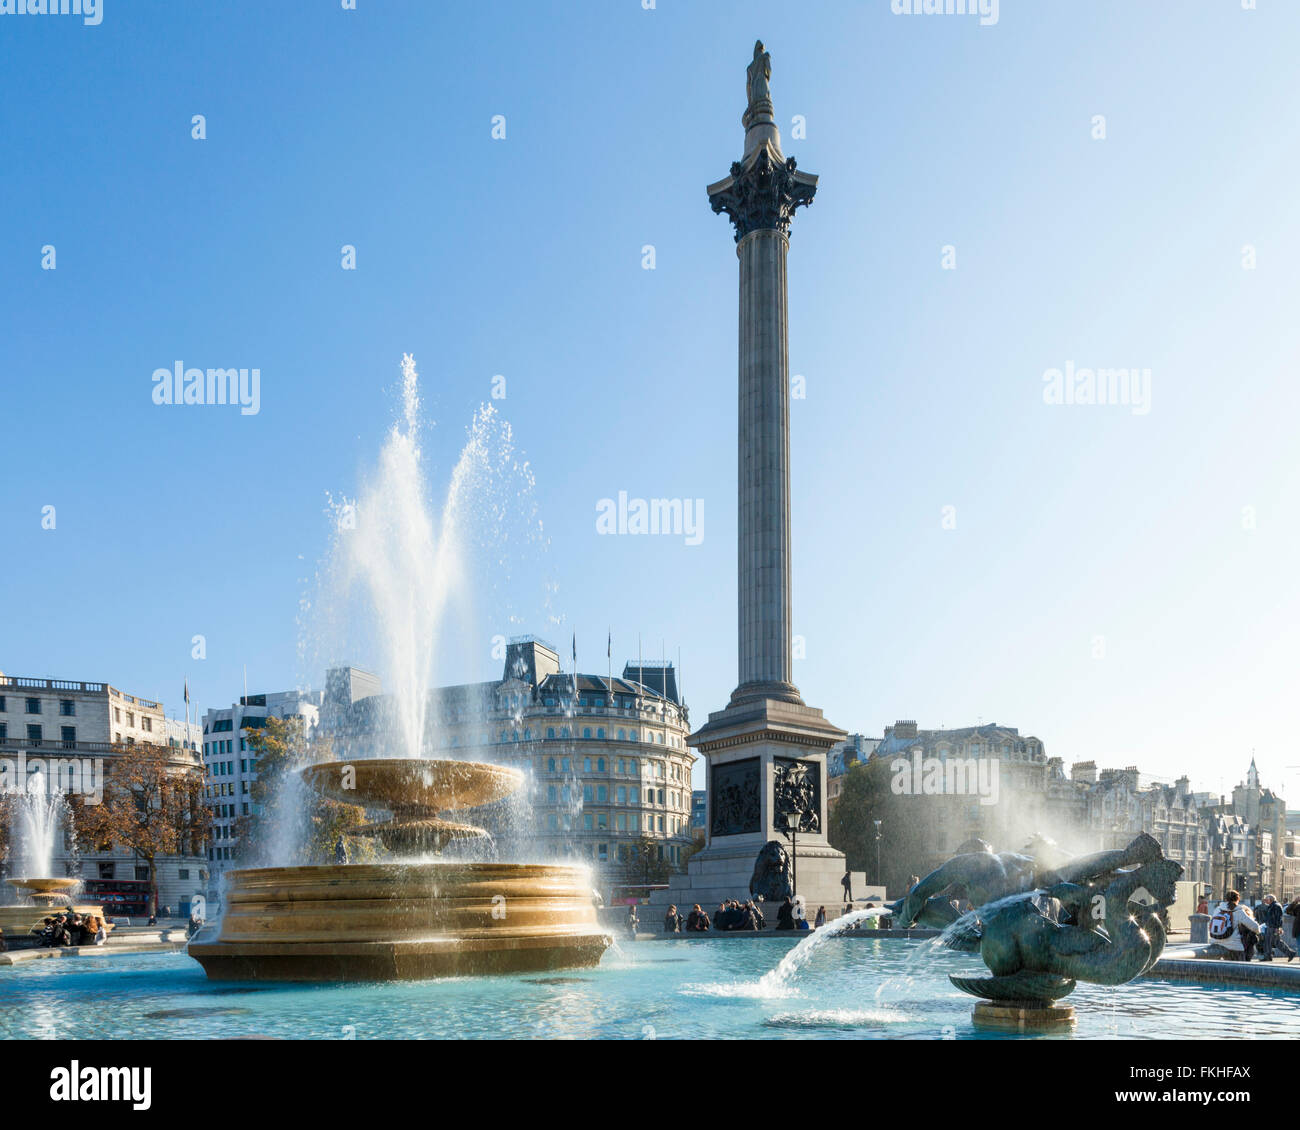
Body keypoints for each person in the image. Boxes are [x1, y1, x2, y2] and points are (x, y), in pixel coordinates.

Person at [1209, 890, 1259, 961]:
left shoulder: (1218, 909)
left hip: (1216, 942)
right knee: (1240, 968)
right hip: (1233, 946)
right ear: (1238, 899)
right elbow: (1254, 927)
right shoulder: (1238, 911)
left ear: (1226, 899)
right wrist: (1259, 932)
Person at [1258, 894, 1295, 962]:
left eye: (1266, 899)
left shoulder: (1276, 906)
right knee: (1276, 942)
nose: (1265, 901)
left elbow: (1279, 918)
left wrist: (1278, 928)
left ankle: (1268, 956)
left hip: (1273, 927)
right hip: (1271, 926)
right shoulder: (1272, 906)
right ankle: (1290, 953)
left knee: (1269, 942)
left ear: (1270, 899)